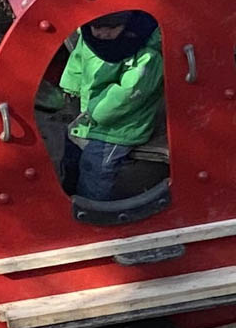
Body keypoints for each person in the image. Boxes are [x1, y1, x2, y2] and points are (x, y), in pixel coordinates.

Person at [59, 11, 164, 201]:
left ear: (128, 25)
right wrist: (71, 85)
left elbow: (129, 93)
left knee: (97, 164)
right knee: (71, 147)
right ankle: (69, 193)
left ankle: (93, 203)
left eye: (112, 28)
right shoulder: (89, 37)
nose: (102, 34)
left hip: (122, 126)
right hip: (90, 114)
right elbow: (78, 58)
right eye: (97, 27)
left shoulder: (145, 53)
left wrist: (95, 112)